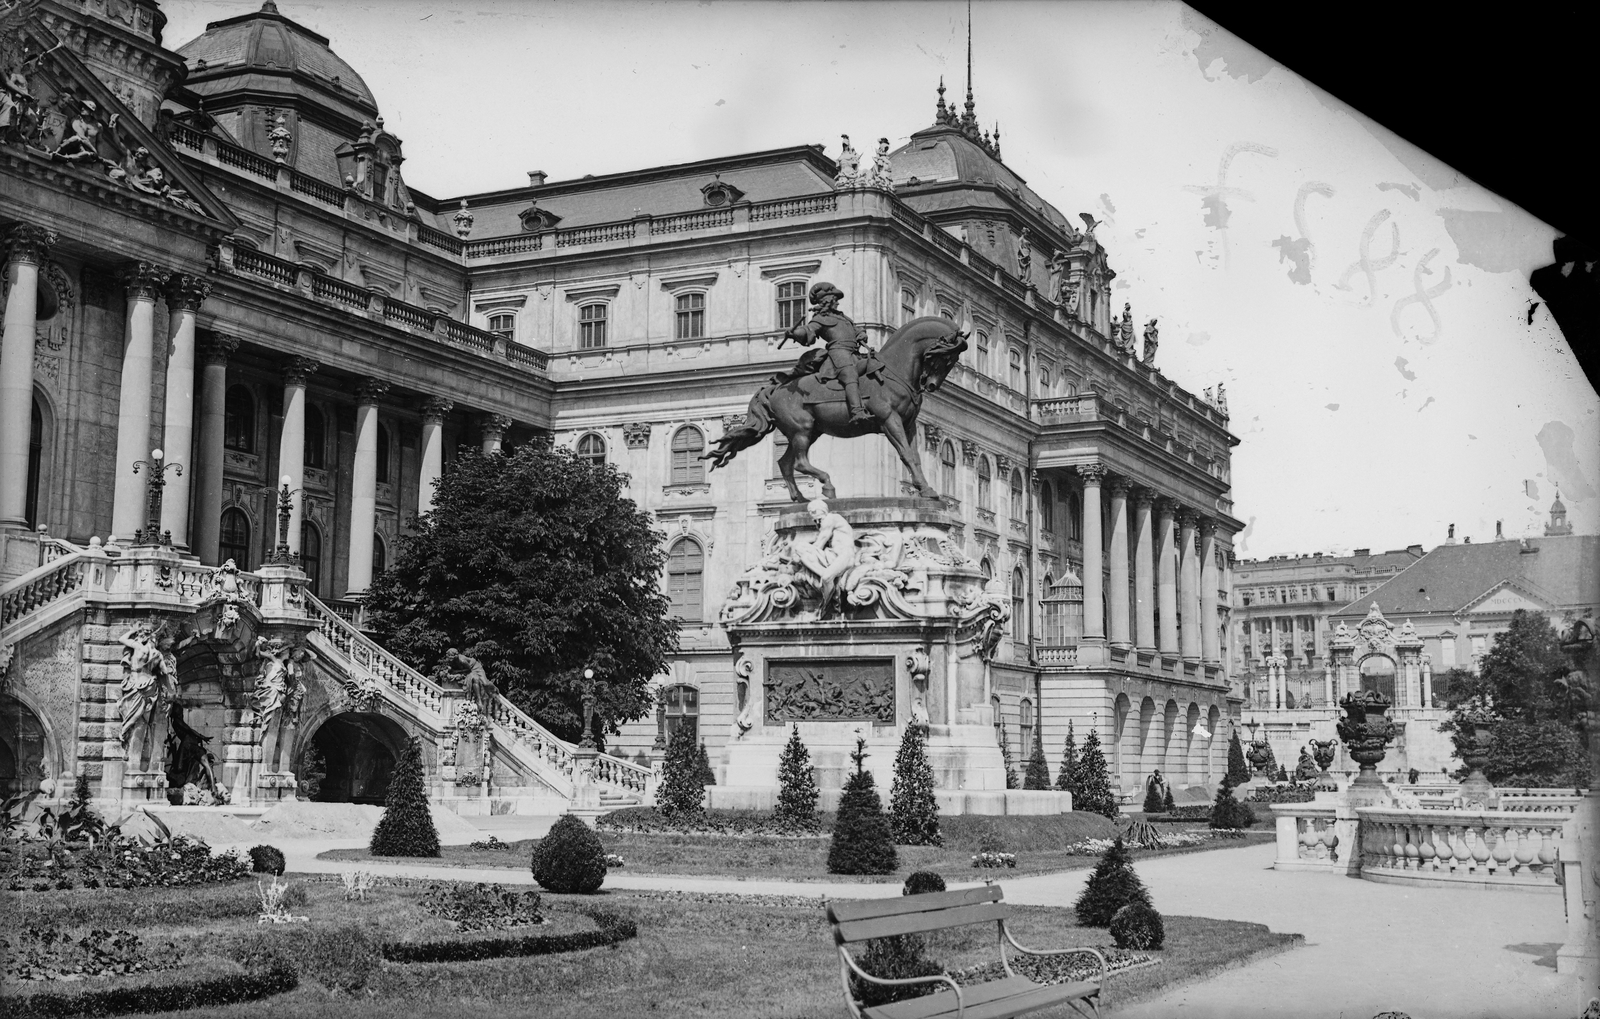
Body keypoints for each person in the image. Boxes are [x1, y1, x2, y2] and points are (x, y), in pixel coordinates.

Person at [783, 282, 874, 423]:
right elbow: (808, 331)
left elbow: (856, 329)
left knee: (875, 364)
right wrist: (795, 333)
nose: (837, 303)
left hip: (854, 353)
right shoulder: (820, 319)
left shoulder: (844, 318)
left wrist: (861, 334)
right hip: (838, 353)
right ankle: (857, 411)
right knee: (849, 373)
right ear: (828, 300)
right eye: (835, 299)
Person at [789, 497, 857, 615]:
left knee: (825, 577)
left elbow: (820, 543)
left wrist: (798, 556)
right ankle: (831, 599)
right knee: (803, 553)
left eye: (813, 513)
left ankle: (829, 606)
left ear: (821, 510)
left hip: (844, 556)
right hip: (833, 555)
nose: (814, 518)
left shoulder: (831, 518)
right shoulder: (832, 521)